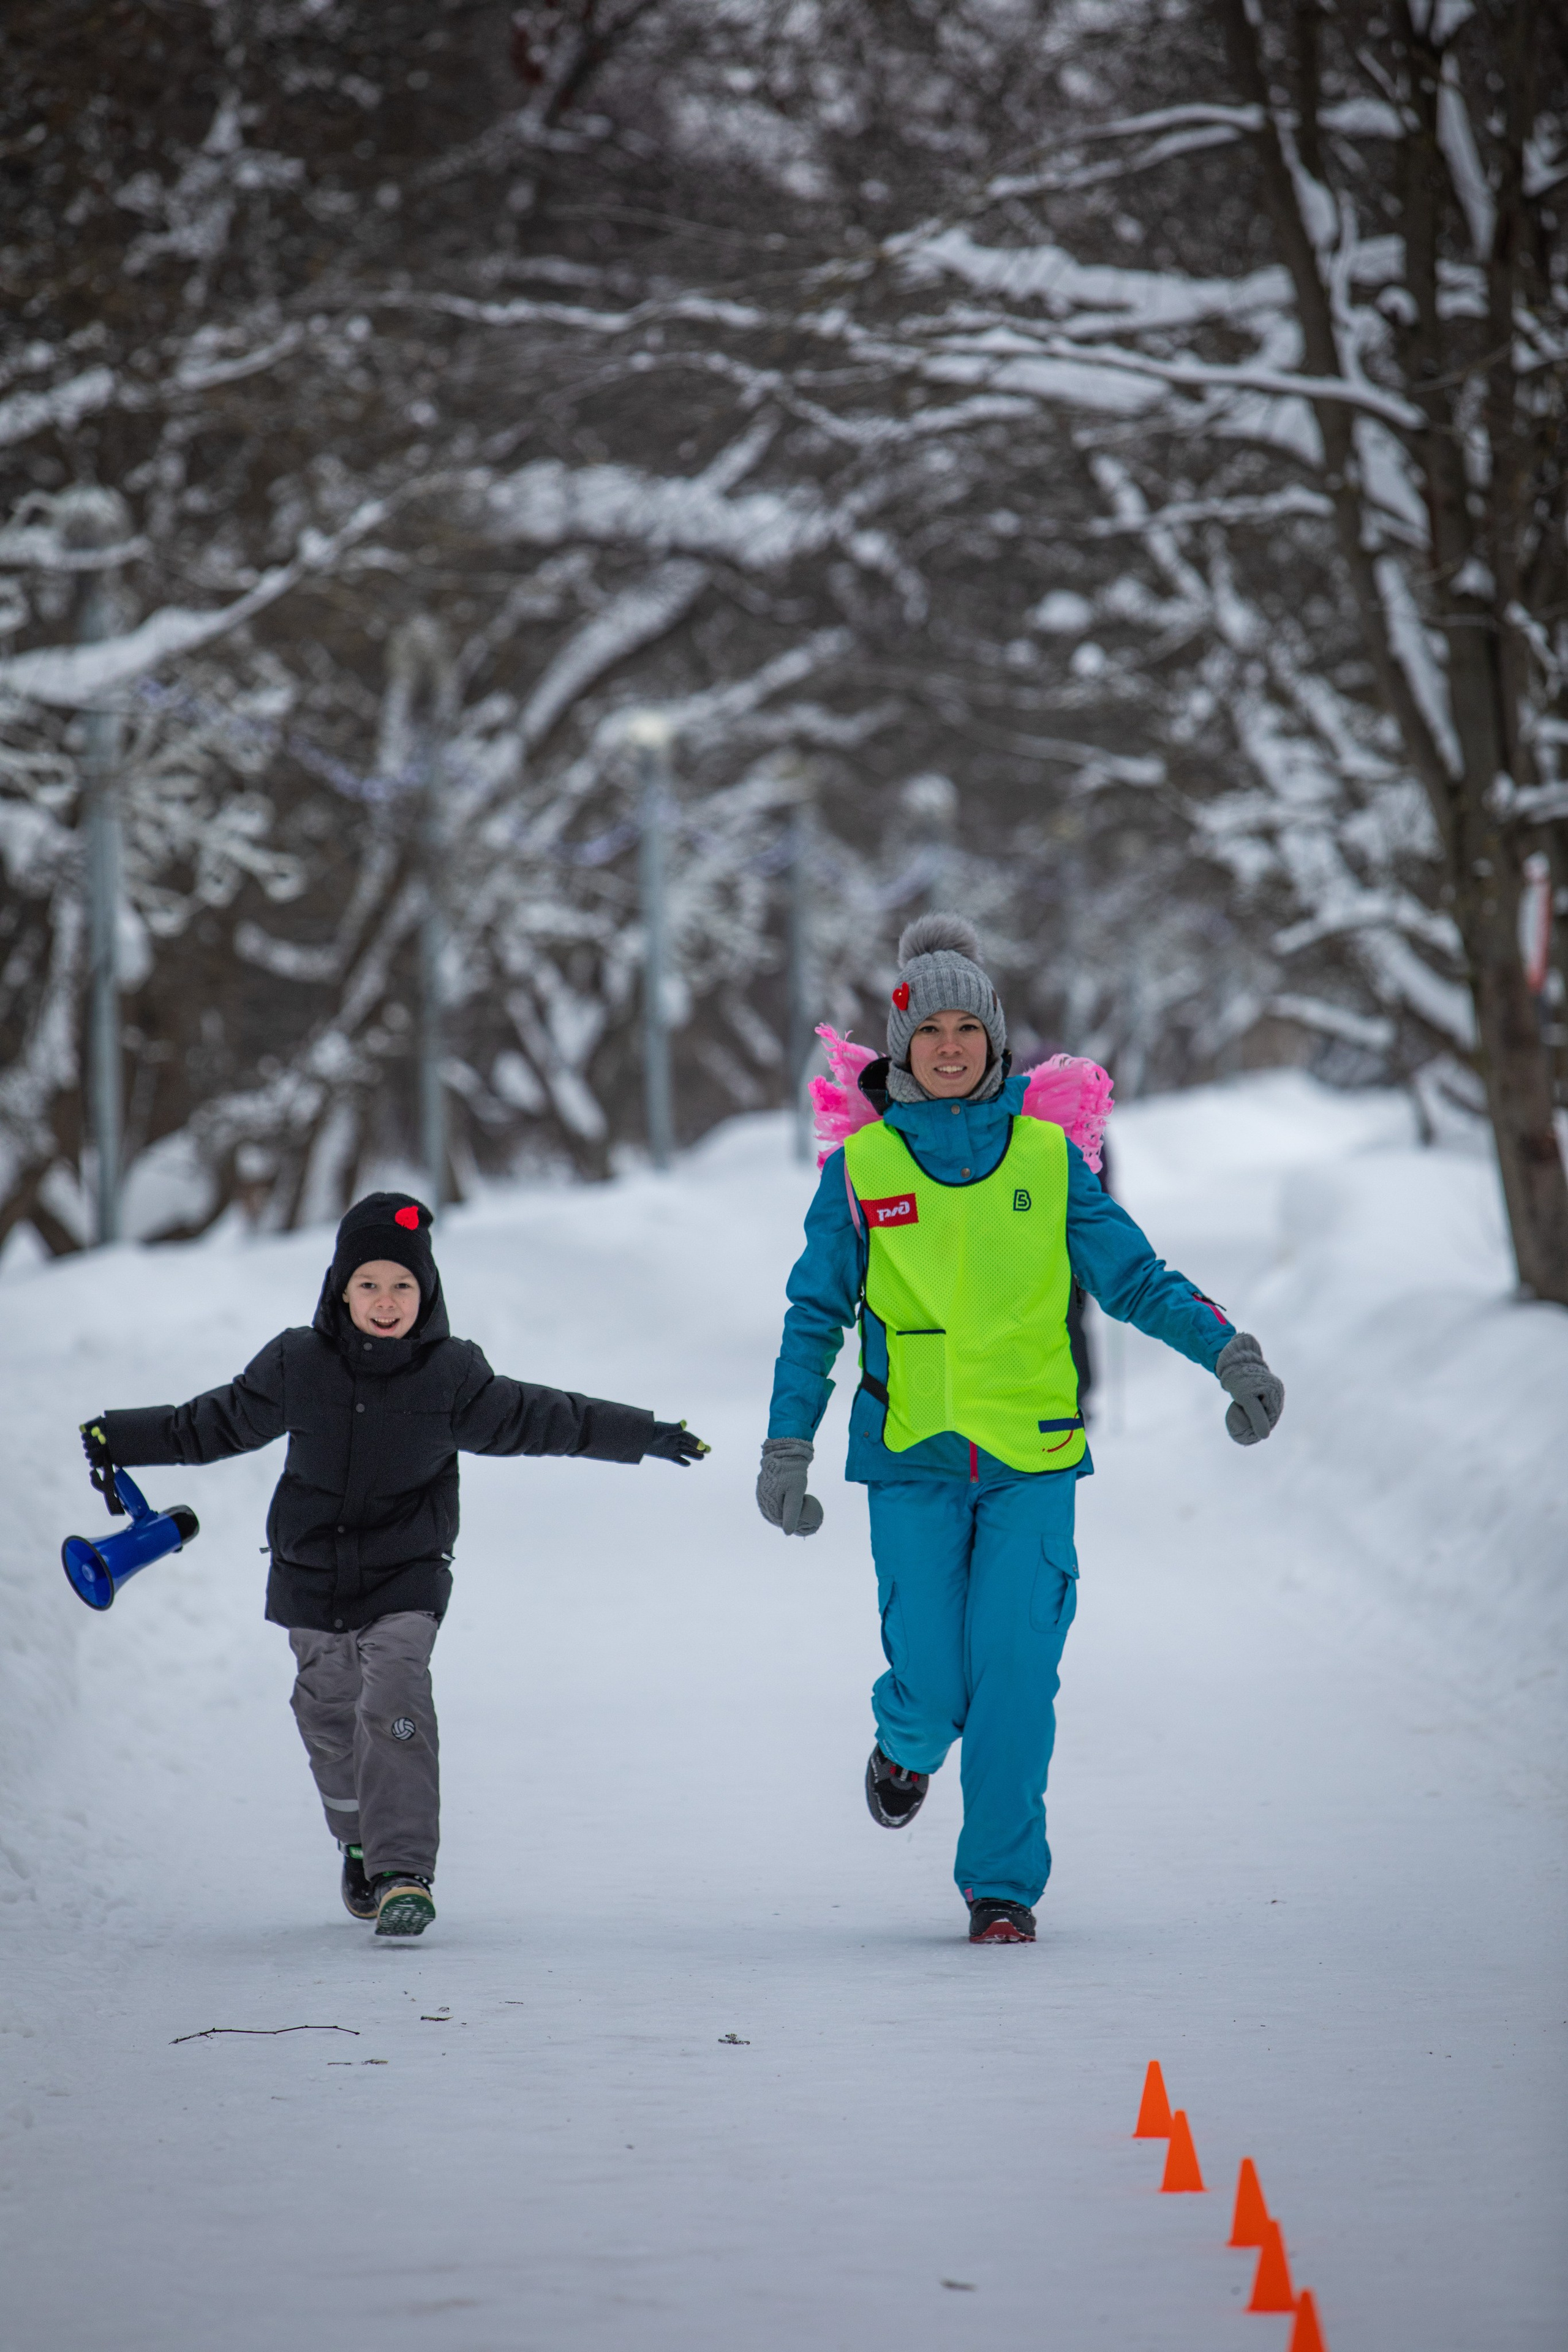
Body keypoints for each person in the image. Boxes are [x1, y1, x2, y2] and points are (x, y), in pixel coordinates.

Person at [756, 915, 1283, 1945]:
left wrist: (1229, 1351)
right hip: (910, 1460)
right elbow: (814, 1316)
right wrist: (788, 1444)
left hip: (1031, 1459)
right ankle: (907, 1745)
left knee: (1015, 1675)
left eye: (968, 1028)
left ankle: (1001, 1886)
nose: (949, 1046)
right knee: (933, 1684)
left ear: (995, 1039)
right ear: (901, 1047)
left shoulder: (1048, 1158)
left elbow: (1135, 1278)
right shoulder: (863, 1172)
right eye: (928, 1030)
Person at [78, 1191, 709, 1938]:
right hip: (311, 1577)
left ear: (427, 1292)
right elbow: (212, 1424)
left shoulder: (451, 1375)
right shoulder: (297, 1363)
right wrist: (119, 1436)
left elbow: (544, 1416)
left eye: (403, 1285)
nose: (386, 1301)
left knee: (395, 1700)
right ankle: (357, 1843)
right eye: (369, 1284)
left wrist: (643, 1434)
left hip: (406, 1575)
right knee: (327, 1716)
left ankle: (403, 1872)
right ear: (341, 1290)